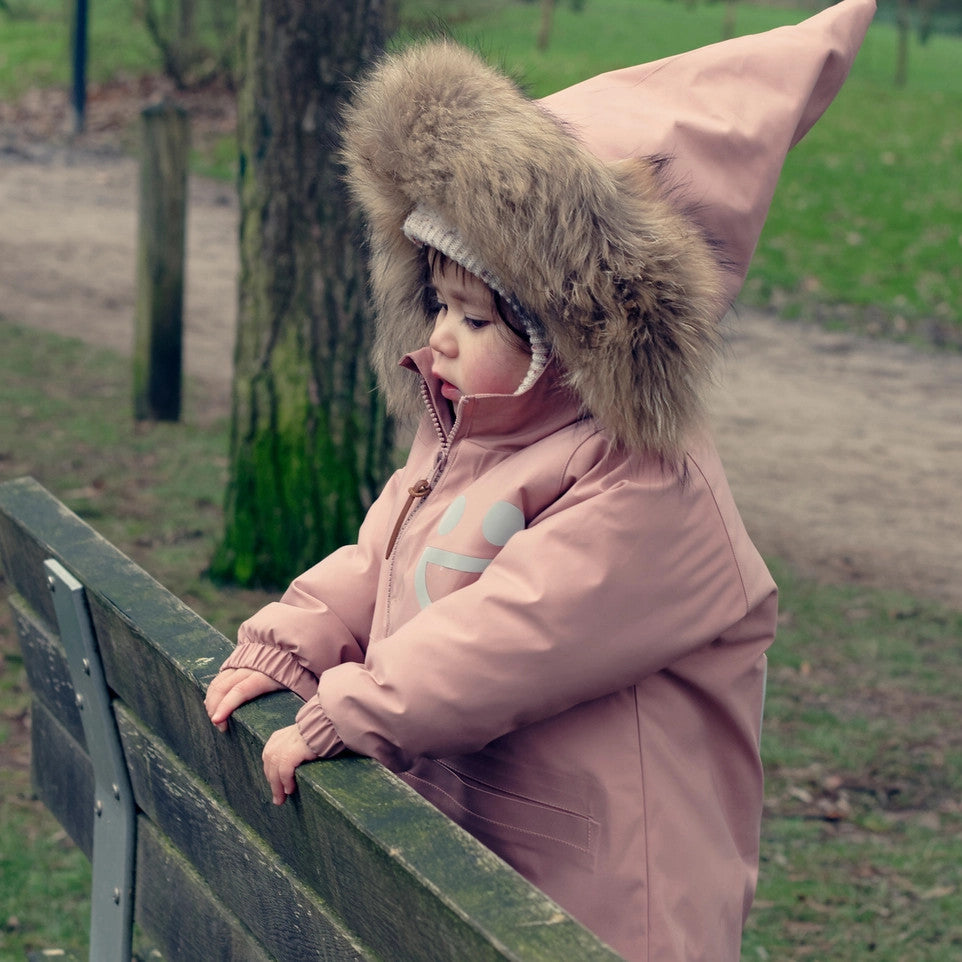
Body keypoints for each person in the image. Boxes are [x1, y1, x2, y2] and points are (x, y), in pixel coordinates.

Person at [205, 2, 875, 958]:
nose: (438, 339)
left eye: (475, 319)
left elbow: (517, 630)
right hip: (500, 877)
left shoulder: (652, 489)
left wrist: (357, 705)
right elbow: (381, 558)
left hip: (614, 910)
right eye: (438, 304)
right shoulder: (476, 436)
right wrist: (288, 645)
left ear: (578, 338)